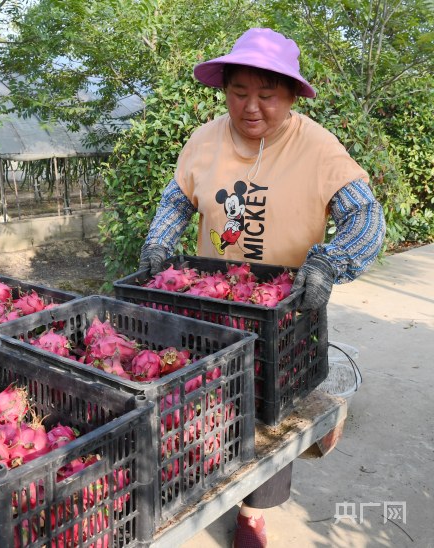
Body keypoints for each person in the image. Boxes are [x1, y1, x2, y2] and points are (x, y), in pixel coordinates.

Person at [138, 28, 385, 547]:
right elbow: (175, 202)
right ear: (224, 91)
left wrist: (331, 261)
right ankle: (201, 477)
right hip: (210, 301)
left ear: (291, 96)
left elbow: (365, 217)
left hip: (286, 310)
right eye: (238, 92)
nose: (251, 107)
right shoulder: (204, 140)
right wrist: (159, 243)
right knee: (201, 397)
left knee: (274, 410)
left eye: (267, 95)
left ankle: (254, 510)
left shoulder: (318, 147)